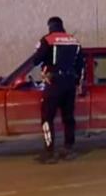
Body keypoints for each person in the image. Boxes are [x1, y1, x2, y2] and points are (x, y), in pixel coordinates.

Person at [31, 16, 84, 164]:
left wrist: (39, 50)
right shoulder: (74, 41)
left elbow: (36, 60)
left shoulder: (47, 40)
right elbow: (80, 65)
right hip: (70, 84)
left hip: (53, 84)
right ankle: (69, 149)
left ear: (50, 26)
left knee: (47, 118)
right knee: (68, 118)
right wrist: (77, 82)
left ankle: (49, 152)